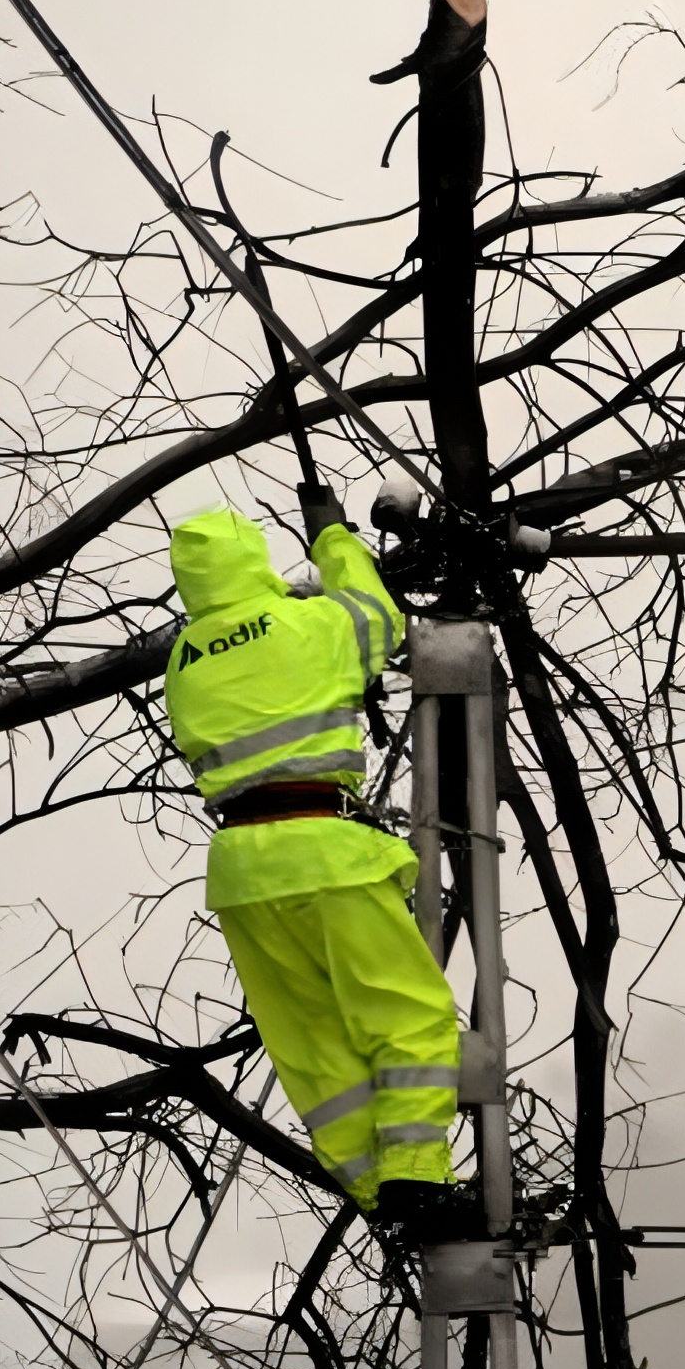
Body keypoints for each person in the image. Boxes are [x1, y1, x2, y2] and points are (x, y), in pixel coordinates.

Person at [164, 485, 465, 1240]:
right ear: (254, 562)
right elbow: (376, 616)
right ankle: (416, 1178)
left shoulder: (183, 661)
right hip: (321, 850)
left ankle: (384, 1198)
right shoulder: (306, 625)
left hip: (240, 871)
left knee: (316, 1058)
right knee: (407, 1018)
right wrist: (333, 539)